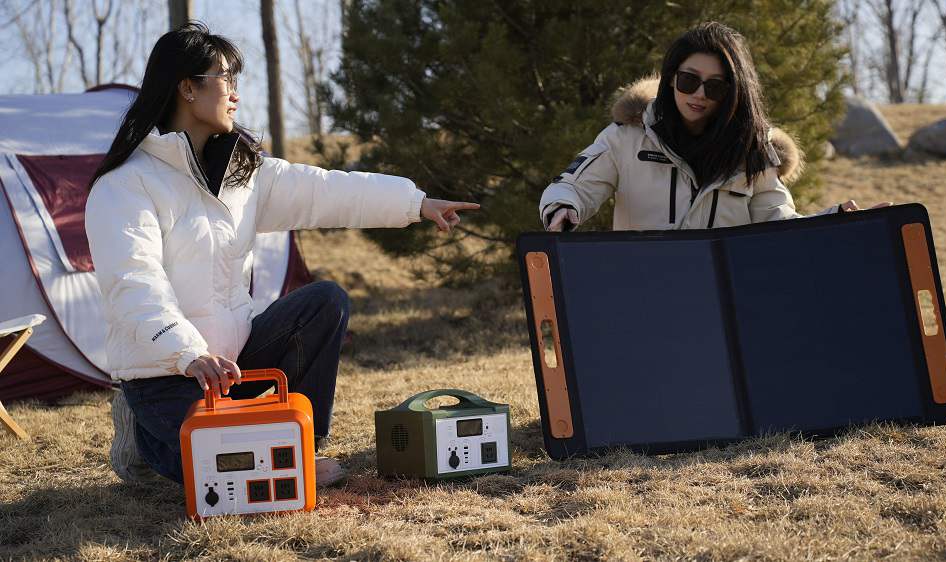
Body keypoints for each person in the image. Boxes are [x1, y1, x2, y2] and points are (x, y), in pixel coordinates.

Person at [86, 22, 478, 485]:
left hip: (233, 367)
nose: (235, 93)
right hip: (168, 376)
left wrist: (415, 203)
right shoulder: (125, 185)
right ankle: (142, 436)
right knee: (226, 472)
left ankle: (300, 445)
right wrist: (187, 353)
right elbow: (134, 281)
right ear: (188, 88)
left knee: (325, 301)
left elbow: (325, 191)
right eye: (225, 78)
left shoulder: (243, 174)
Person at [540, 22, 888, 233]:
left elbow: (779, 224)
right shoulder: (625, 138)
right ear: (671, 78)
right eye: (689, 80)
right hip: (643, 294)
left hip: (724, 303)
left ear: (733, 92)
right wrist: (563, 208)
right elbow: (572, 186)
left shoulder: (754, 153)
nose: (699, 94)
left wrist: (837, 221)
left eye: (716, 86)